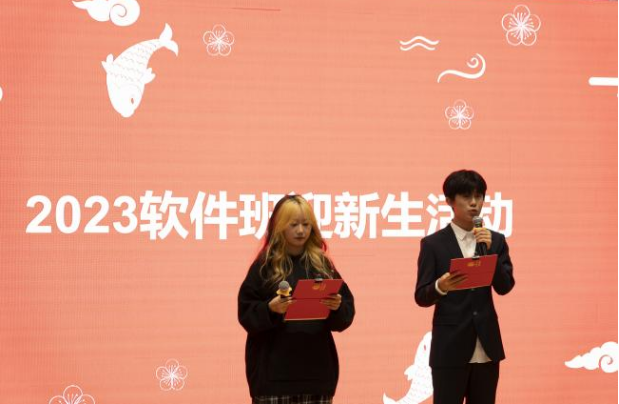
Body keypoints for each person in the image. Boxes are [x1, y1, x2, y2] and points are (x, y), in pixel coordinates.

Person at [238, 194, 355, 404]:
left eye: (306, 224)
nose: (301, 231)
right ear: (279, 227)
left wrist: (337, 307)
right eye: (293, 225)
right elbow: (246, 314)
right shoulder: (264, 267)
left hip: (317, 378)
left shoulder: (322, 266)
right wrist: (270, 309)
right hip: (272, 380)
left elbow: (346, 314)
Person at [415, 170, 515, 404]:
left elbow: (505, 286)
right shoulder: (433, 244)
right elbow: (421, 296)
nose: (474, 203)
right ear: (450, 201)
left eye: (479, 196)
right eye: (466, 196)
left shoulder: (495, 240)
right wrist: (441, 286)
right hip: (450, 348)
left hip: (487, 346)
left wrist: (489, 254)